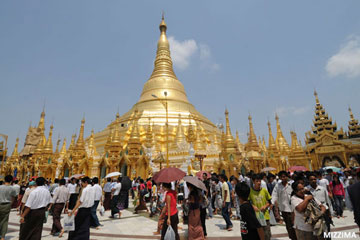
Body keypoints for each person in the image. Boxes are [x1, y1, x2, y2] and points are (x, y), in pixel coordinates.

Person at [271, 171, 296, 240]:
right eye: (281, 177)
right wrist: (272, 203)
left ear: (287, 176)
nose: (283, 178)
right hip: (284, 209)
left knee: (295, 225)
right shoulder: (278, 186)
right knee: (289, 226)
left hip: (293, 208)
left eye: (284, 176)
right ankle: (292, 237)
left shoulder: (291, 185)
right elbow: (274, 195)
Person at [249, 174, 271, 240]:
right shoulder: (250, 192)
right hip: (256, 217)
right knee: (257, 235)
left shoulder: (264, 190)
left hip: (265, 216)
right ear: (253, 182)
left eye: (259, 181)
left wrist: (265, 206)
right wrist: (253, 206)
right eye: (257, 181)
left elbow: (269, 201)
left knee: (267, 234)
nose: (259, 182)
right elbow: (248, 203)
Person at [0, 175, 17, 240]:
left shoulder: (0, 187)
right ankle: (2, 237)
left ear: (4, 179)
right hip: (7, 205)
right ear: (11, 181)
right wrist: (10, 204)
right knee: (4, 221)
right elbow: (13, 198)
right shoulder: (12, 188)